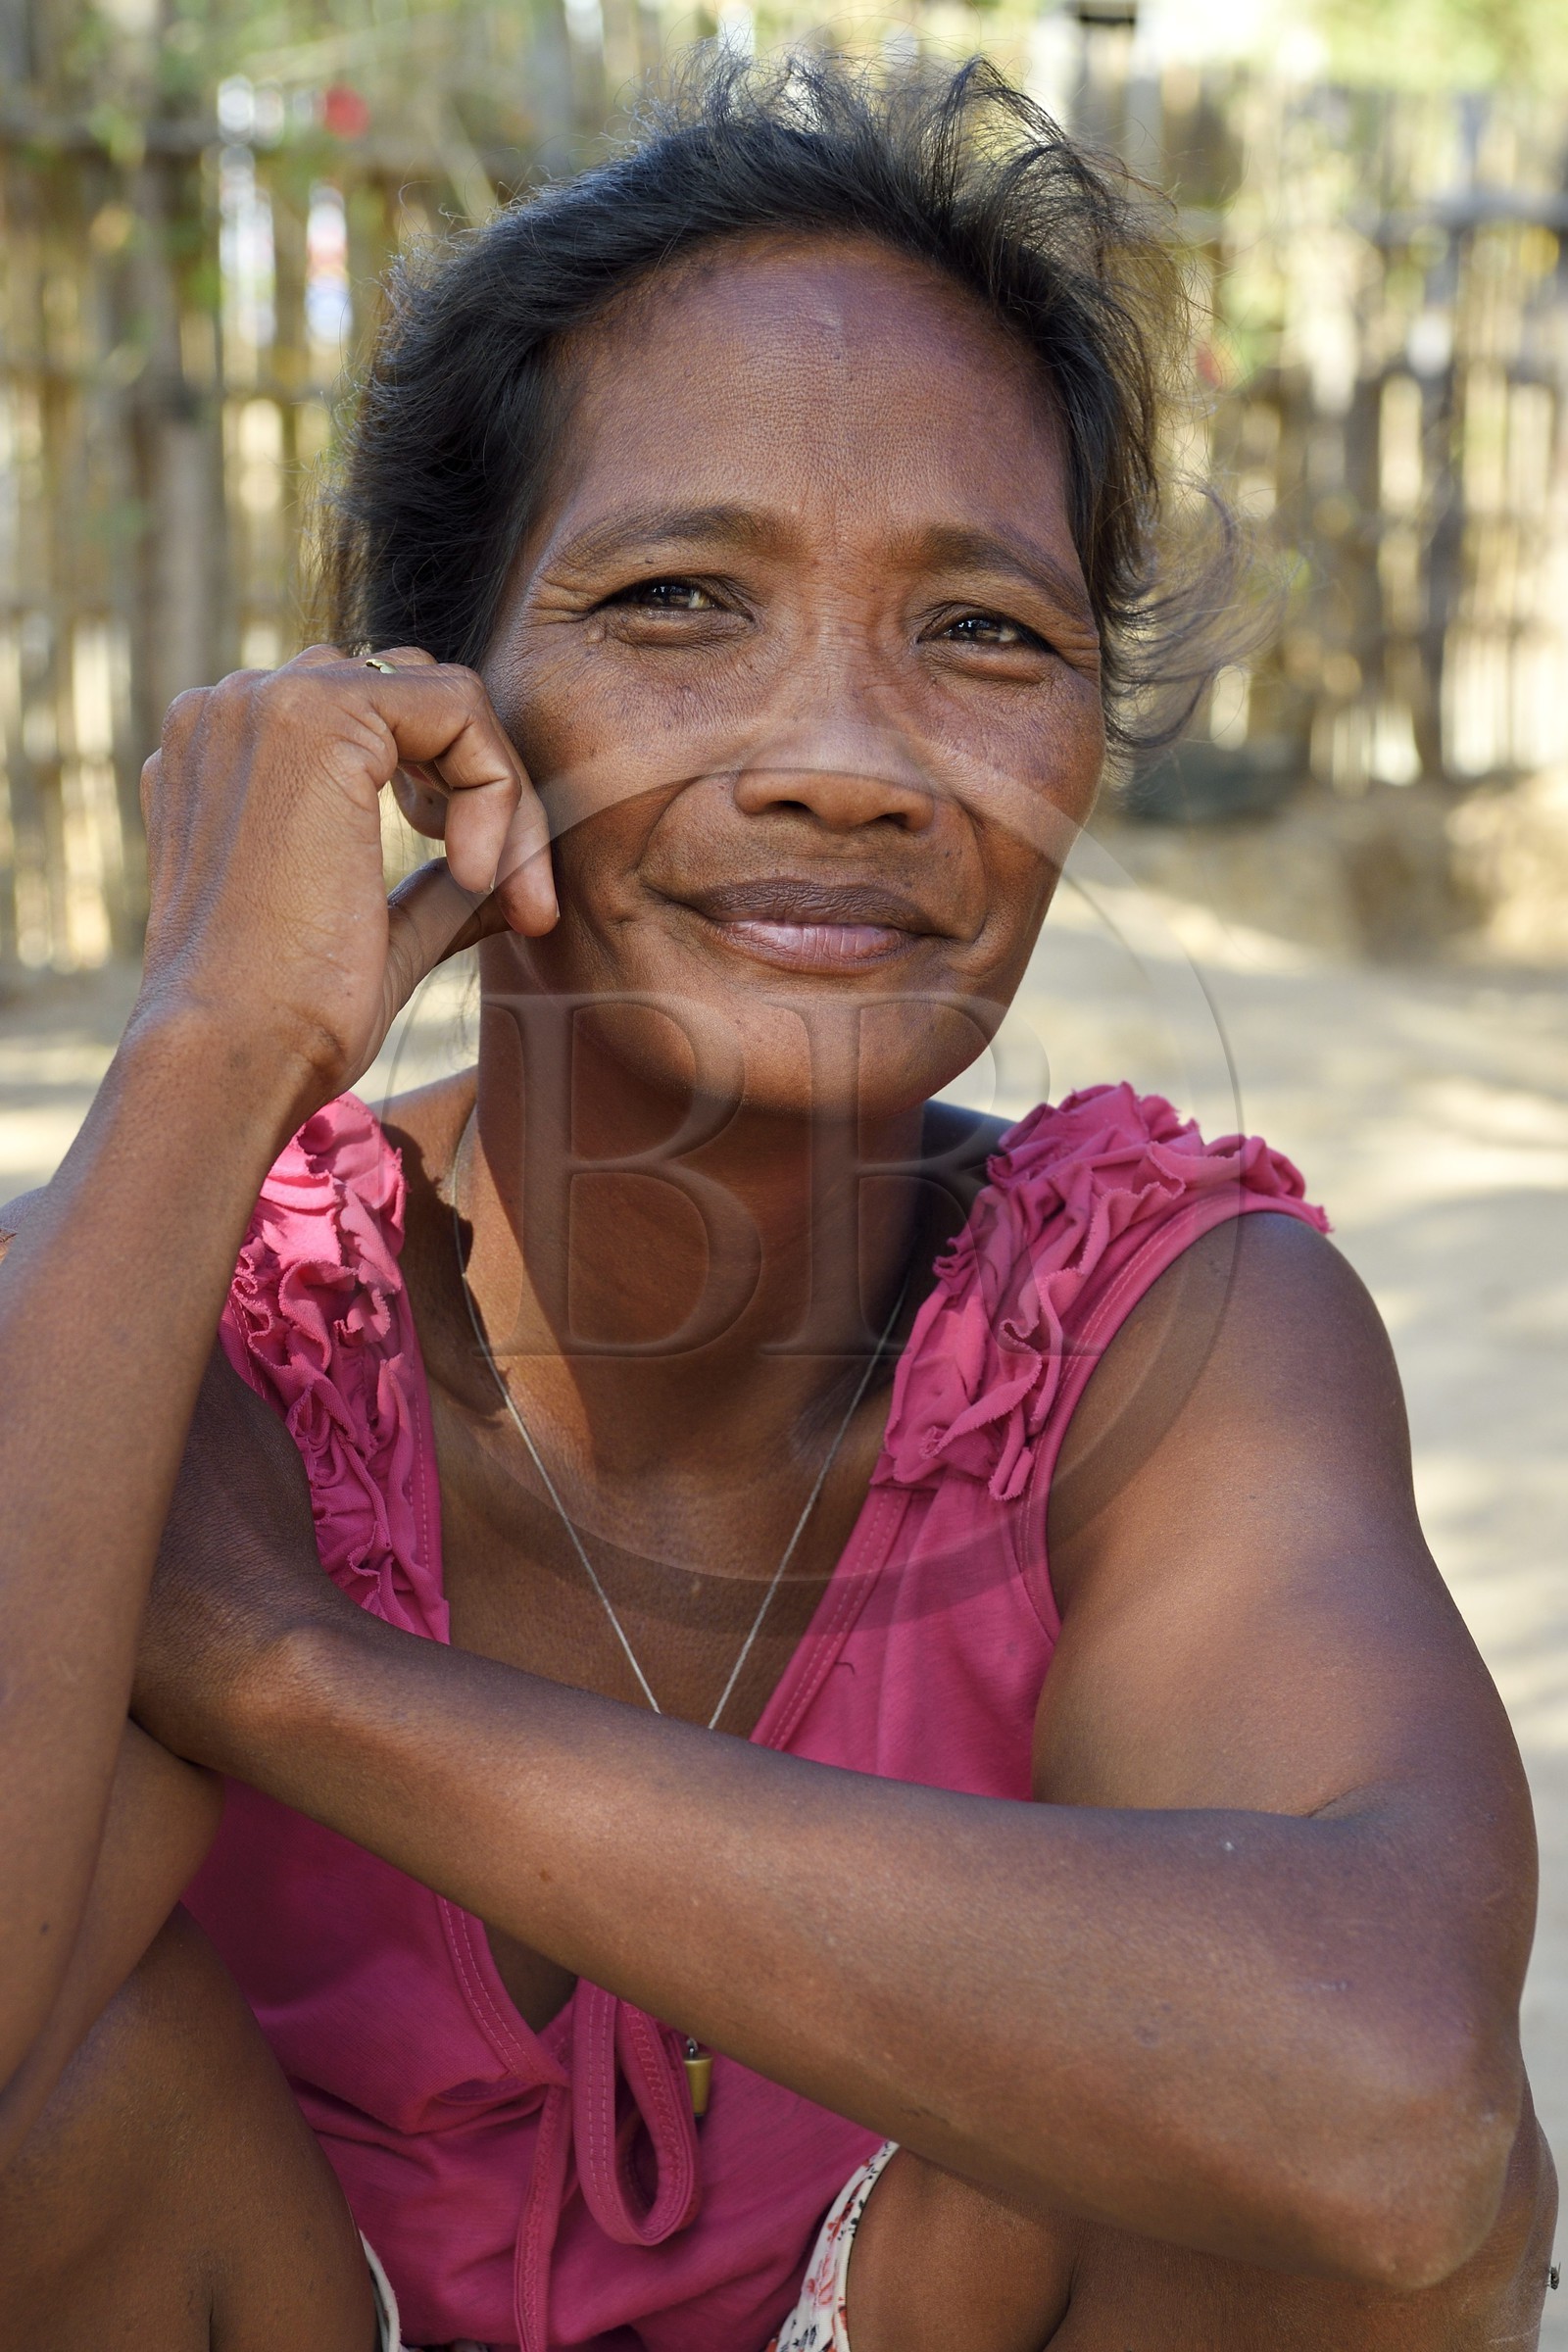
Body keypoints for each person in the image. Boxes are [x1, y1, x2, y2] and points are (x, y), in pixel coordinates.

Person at [0, 52, 1555, 2352]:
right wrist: (206, 1057)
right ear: (425, 696)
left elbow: (1395, 2124)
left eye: (983, 634)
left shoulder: (1141, 1323)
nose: (842, 760)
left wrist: (283, 1672)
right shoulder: (208, 1321)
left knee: (1283, 2177)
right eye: (674, 598)